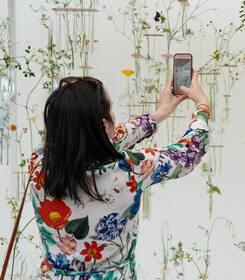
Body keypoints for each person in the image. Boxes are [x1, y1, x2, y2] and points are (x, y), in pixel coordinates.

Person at [28, 70, 210, 279]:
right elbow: (190, 151)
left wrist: (158, 114)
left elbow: (90, 141)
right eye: (111, 110)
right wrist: (202, 105)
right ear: (104, 125)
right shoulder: (130, 170)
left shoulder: (38, 165)